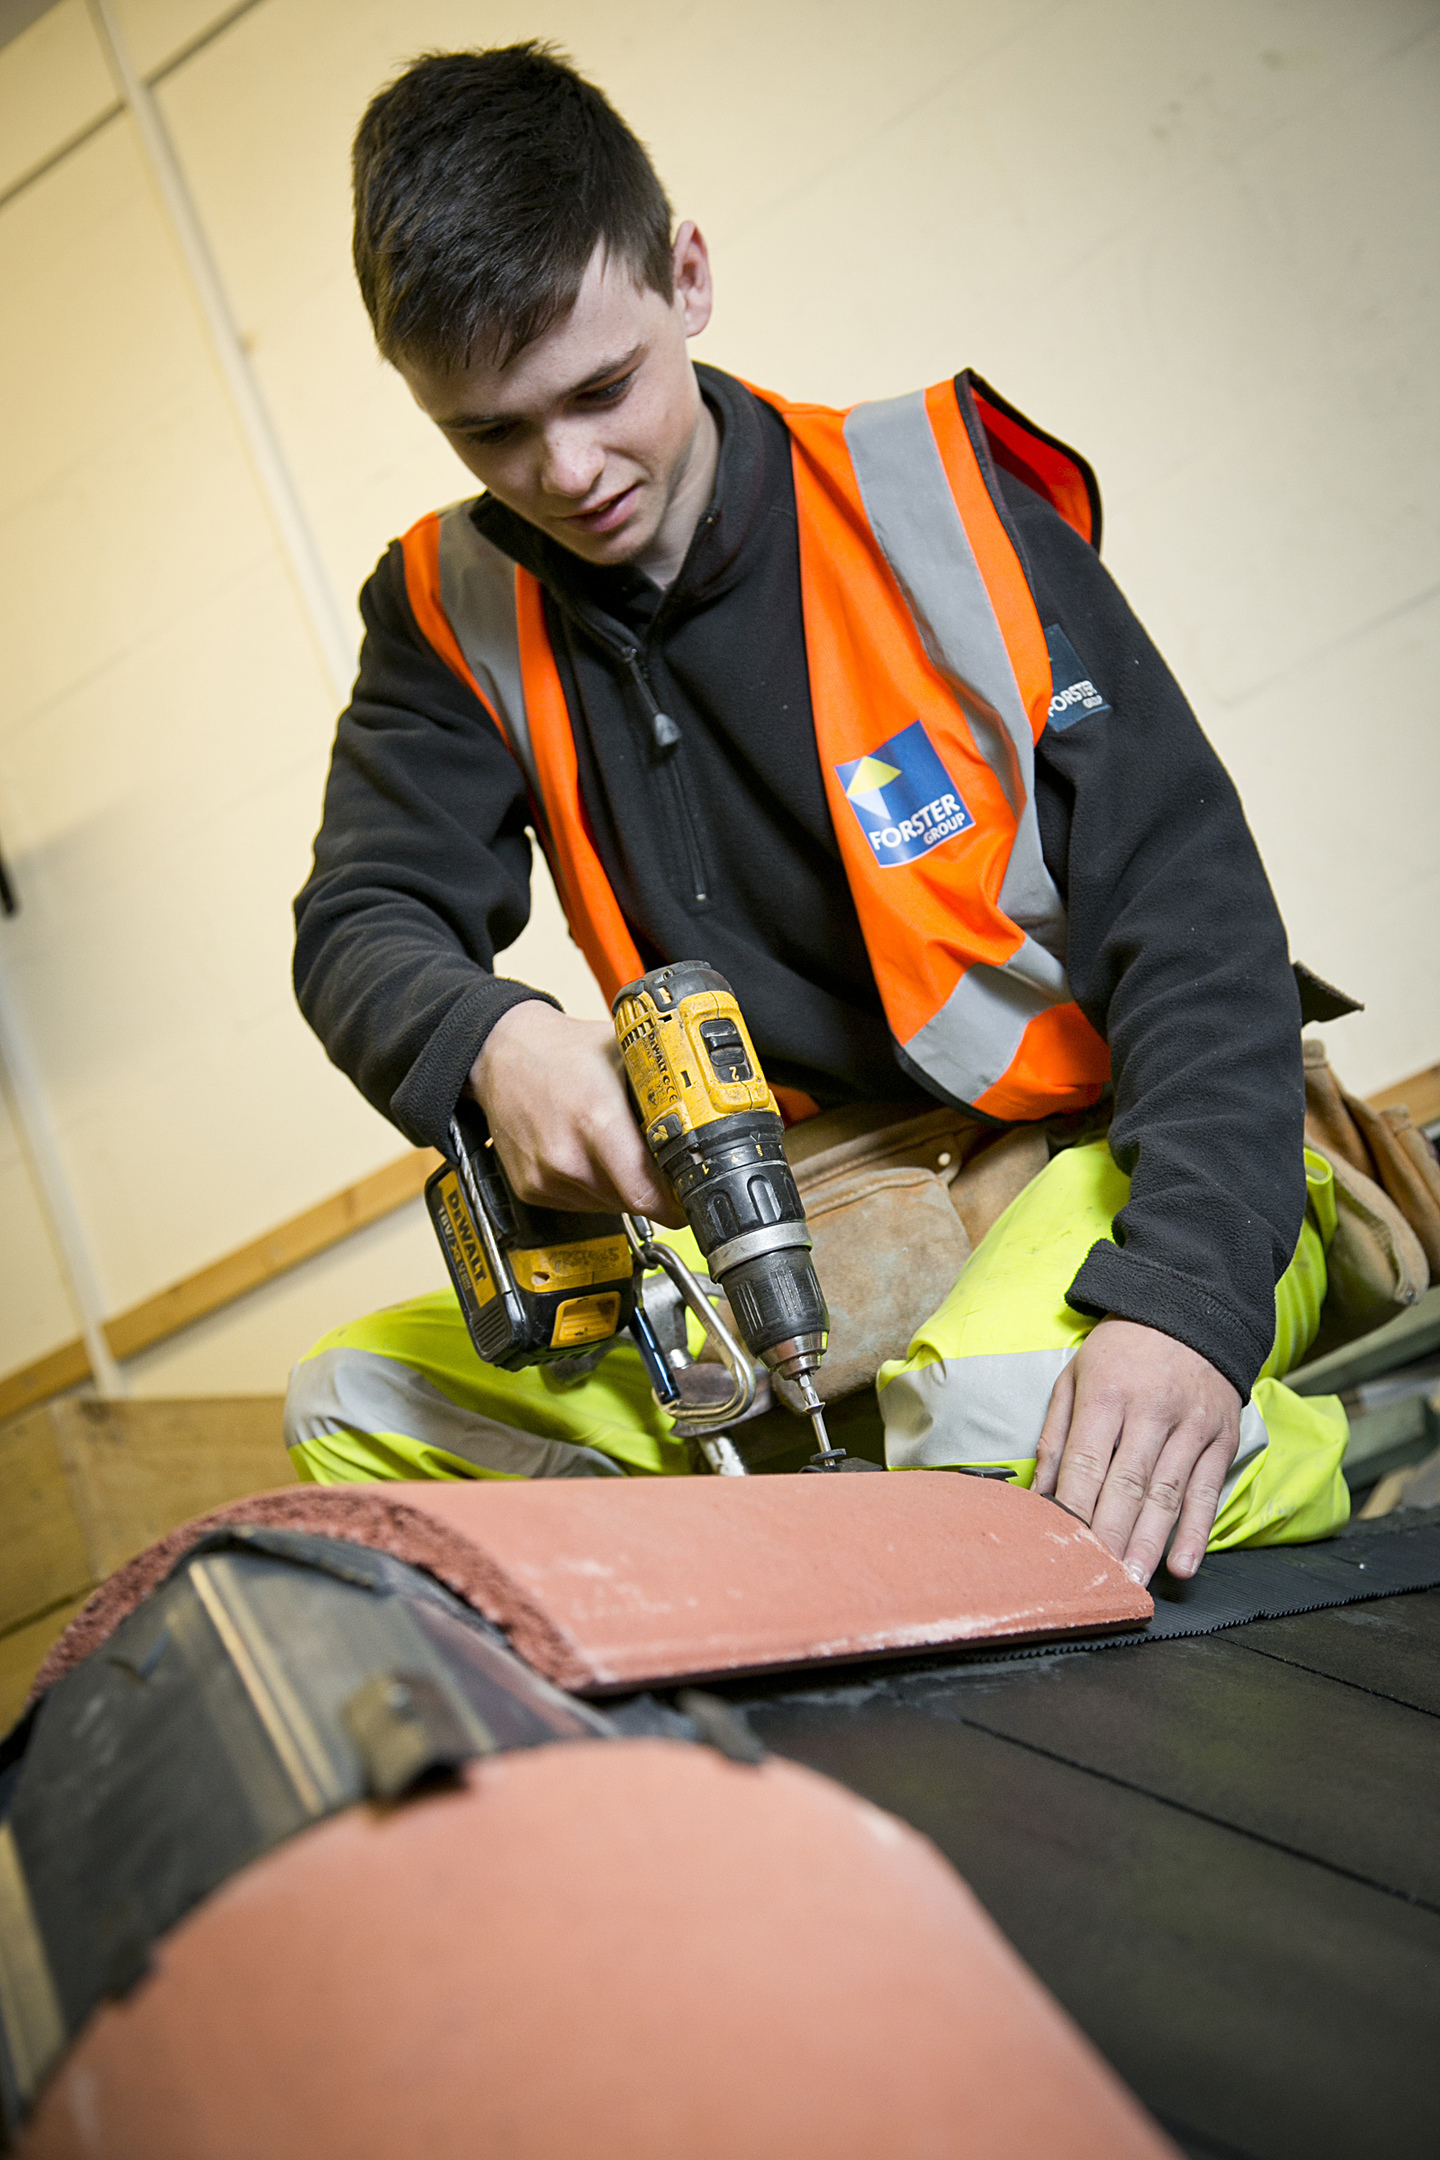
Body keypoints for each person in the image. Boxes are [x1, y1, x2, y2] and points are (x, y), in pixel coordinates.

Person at [286, 41, 1348, 1586]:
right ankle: (822, 1538)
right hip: (815, 1229)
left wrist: (1183, 1303)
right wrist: (492, 1042)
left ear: (688, 275)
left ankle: (1268, 1443)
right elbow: (360, 921)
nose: (566, 471)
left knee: (998, 1435)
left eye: (600, 390)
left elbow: (1199, 927)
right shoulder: (444, 614)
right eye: (492, 434)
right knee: (361, 1415)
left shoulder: (940, 505)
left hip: (1126, 1153)